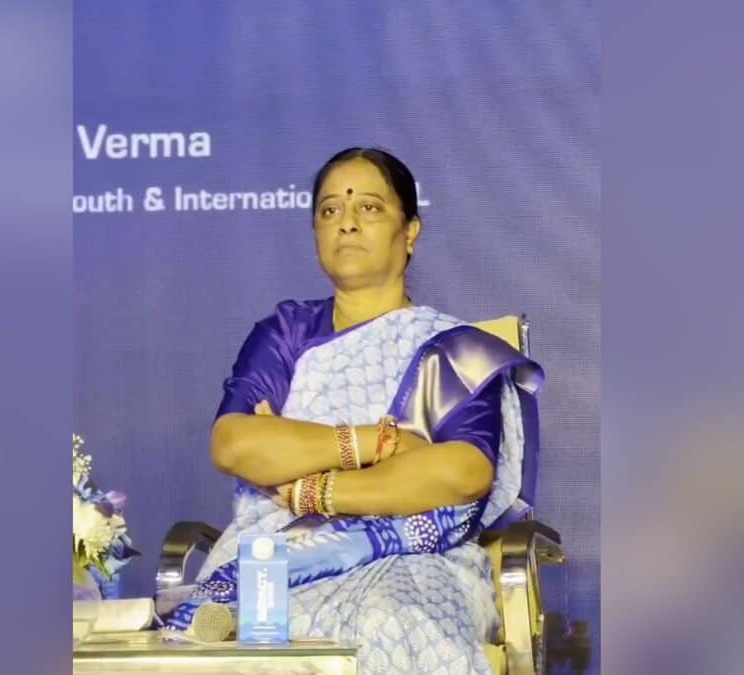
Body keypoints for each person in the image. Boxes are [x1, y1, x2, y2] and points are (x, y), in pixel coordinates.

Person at [161, 147, 544, 674]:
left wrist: (309, 487)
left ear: (410, 231)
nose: (346, 224)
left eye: (369, 208)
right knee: (259, 623)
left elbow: (462, 472)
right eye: (330, 211)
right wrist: (375, 444)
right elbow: (236, 444)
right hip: (274, 553)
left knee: (392, 617)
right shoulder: (286, 333)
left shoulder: (457, 349)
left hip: (418, 560)